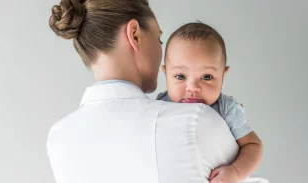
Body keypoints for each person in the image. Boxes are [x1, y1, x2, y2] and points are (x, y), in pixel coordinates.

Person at [47, 0, 265, 183]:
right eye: (159, 38)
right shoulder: (195, 119)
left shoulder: (58, 138)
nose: (192, 87)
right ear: (134, 35)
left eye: (206, 76)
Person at [157, 22, 263, 183]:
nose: (192, 87)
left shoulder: (226, 108)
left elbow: (254, 145)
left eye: (206, 77)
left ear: (222, 75)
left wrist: (235, 171)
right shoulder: (161, 104)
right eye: (180, 76)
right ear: (166, 73)